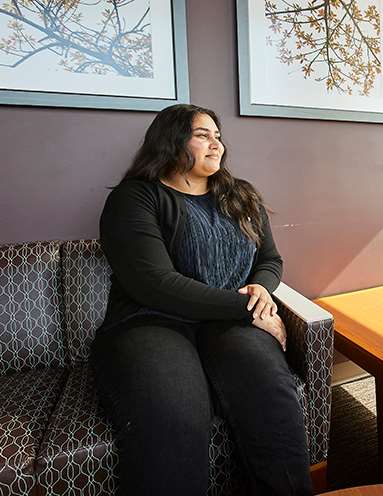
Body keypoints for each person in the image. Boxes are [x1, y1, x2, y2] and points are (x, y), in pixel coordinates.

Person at [91, 104, 311, 495]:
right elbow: (154, 283)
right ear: (171, 140)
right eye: (203, 135)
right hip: (153, 321)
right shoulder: (135, 198)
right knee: (173, 412)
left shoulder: (241, 196)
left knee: (271, 395)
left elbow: (270, 259)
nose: (217, 145)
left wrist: (262, 288)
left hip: (228, 323)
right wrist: (251, 309)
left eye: (218, 136)